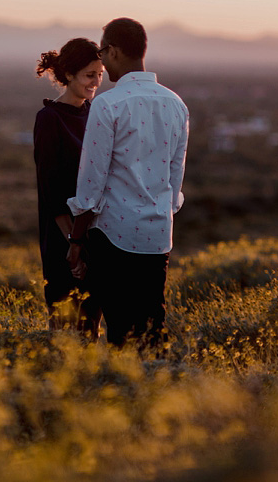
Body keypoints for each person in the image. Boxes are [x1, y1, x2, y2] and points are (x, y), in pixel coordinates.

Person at [66, 18, 189, 351]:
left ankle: (127, 391)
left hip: (114, 238)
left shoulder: (108, 105)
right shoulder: (176, 104)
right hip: (158, 238)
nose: (102, 61)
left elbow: (90, 189)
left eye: (103, 51)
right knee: (153, 330)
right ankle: (156, 390)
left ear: (115, 51)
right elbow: (174, 183)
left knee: (120, 333)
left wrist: (76, 240)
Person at [33, 37, 104, 337]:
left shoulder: (97, 114)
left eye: (100, 75)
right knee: (65, 332)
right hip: (64, 241)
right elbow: (51, 191)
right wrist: (74, 248)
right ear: (70, 74)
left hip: (95, 238)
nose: (96, 82)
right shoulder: (49, 119)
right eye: (90, 75)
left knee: (90, 329)